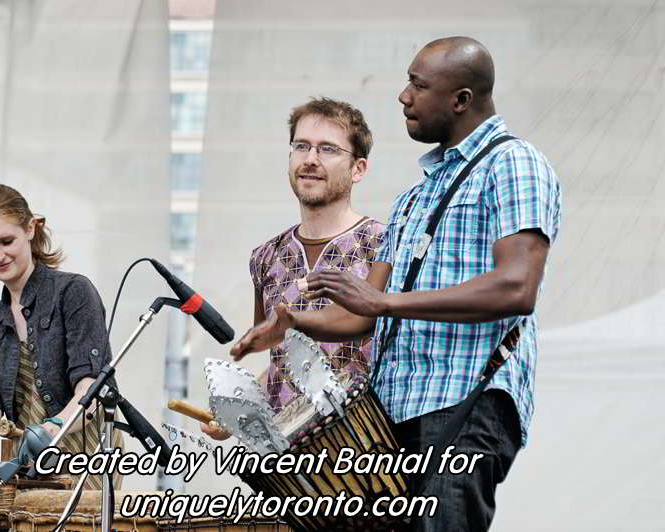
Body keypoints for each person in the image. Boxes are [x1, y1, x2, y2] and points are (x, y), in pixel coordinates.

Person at [231, 37, 561, 531]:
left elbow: (518, 287)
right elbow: (362, 313)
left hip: (466, 399)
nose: (403, 97)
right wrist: (293, 322)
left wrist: (384, 300)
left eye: (417, 85)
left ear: (461, 99)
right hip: (394, 412)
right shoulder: (414, 198)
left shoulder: (513, 164)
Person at [202, 98, 384, 439]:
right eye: (301, 146)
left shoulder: (383, 244)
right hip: (291, 460)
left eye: (327, 149)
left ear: (358, 168)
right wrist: (238, 408)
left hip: (367, 451)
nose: (310, 159)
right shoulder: (265, 257)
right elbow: (279, 364)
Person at [0, 183, 122, 490]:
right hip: (29, 461)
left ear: (31, 228)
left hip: (86, 454)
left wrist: (52, 430)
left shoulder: (73, 292)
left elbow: (92, 389)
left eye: (6, 241)